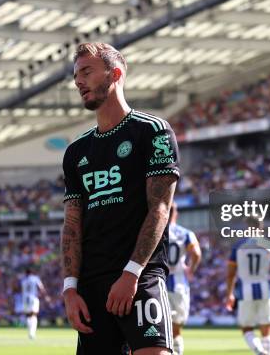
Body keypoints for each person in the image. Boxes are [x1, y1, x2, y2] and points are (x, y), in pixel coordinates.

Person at [61, 42, 180, 354]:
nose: (79, 81)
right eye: (76, 76)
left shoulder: (153, 131)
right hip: (91, 286)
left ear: (115, 74)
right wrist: (70, 289)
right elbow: (72, 225)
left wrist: (132, 273)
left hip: (140, 278)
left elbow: (160, 208)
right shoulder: (76, 152)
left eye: (87, 72)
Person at [225, 234, 270, 355]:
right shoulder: (268, 245)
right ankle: (266, 353)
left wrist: (229, 294)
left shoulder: (238, 245)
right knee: (266, 329)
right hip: (265, 290)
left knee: (246, 328)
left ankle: (258, 351)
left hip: (245, 291)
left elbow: (231, 274)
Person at [167, 202, 201, 355]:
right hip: (179, 282)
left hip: (158, 281)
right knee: (176, 329)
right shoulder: (185, 233)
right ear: (176, 214)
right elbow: (197, 254)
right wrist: (191, 269)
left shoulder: (155, 231)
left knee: (157, 327)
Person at [21, 268, 51, 339]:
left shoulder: (23, 280)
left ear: (26, 273)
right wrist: (46, 296)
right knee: (34, 315)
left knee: (28, 316)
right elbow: (41, 288)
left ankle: (30, 333)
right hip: (33, 298)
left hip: (25, 299)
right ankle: (32, 333)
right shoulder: (35, 278)